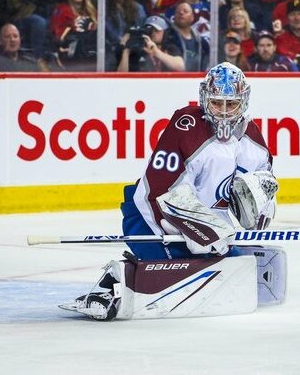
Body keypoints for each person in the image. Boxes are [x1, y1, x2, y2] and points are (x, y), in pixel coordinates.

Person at [61, 63, 281, 321]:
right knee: (180, 268)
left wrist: (259, 209)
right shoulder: (185, 125)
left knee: (229, 266)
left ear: (243, 102)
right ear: (204, 100)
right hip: (150, 217)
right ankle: (113, 284)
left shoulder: (254, 144)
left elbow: (260, 193)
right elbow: (158, 189)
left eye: (230, 104)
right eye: (216, 104)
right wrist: (197, 230)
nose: (222, 112)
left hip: (207, 232)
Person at [49, 0, 98, 71]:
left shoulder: (93, 12)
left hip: (91, 55)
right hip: (70, 57)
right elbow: (58, 37)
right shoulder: (62, 11)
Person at [116, 15, 185, 72]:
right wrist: (126, 51)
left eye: (157, 30)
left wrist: (157, 53)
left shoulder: (170, 48)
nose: (153, 33)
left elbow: (181, 66)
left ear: (165, 33)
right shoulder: (137, 49)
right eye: (150, 30)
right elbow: (120, 78)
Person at [166, 1, 210, 71]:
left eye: (185, 11)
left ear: (192, 17)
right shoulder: (168, 37)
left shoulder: (200, 41)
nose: (181, 13)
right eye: (178, 12)